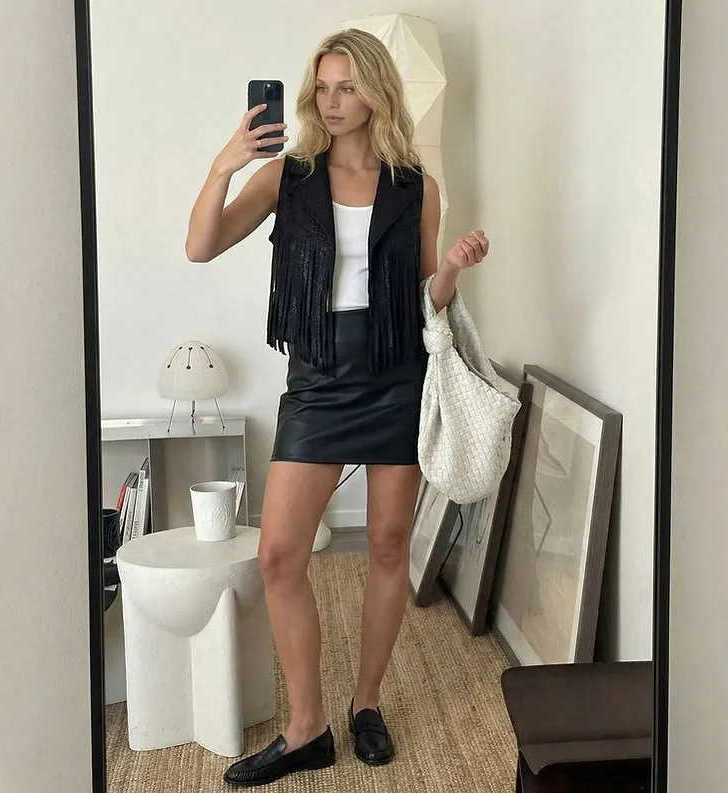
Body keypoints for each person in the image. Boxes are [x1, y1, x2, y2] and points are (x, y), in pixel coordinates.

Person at [185, 28, 489, 788]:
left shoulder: (415, 185)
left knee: (386, 546)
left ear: (376, 92)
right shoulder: (287, 177)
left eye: (347, 87)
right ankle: (306, 727)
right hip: (318, 378)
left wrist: (452, 269)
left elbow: (426, 298)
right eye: (321, 87)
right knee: (279, 556)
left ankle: (366, 704)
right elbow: (201, 246)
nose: (330, 101)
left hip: (395, 374)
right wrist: (226, 163)